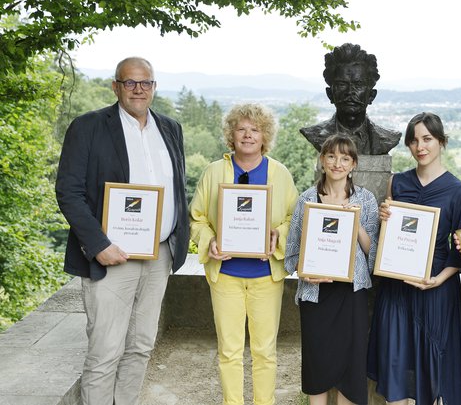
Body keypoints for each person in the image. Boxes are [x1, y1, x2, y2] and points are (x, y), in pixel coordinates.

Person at [55, 57, 189, 405]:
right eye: (130, 82)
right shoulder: (89, 126)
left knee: (141, 347)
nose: (139, 89)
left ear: (154, 87)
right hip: (112, 255)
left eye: (146, 83)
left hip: (159, 255)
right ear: (116, 86)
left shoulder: (171, 128)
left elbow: (177, 188)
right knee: (104, 352)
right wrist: (99, 245)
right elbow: (68, 191)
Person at [189, 103, 298, 405]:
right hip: (226, 276)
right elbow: (197, 218)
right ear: (231, 134)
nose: (248, 135)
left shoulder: (280, 173)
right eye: (241, 129)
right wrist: (209, 239)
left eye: (255, 129)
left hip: (266, 277)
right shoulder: (214, 172)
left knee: (265, 352)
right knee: (229, 351)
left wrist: (279, 235)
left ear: (265, 136)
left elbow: (295, 218)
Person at [367, 112, 461, 405]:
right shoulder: (397, 183)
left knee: (433, 374)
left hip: (436, 290)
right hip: (396, 290)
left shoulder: (459, 191)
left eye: (427, 139)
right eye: (413, 140)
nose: (420, 146)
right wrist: (382, 218)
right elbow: (384, 239)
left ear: (441, 141)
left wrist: (439, 278)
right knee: (395, 367)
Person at [285, 135, 379, 405]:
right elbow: (293, 253)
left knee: (351, 368)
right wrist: (305, 272)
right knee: (318, 365)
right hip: (316, 295)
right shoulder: (307, 199)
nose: (337, 163)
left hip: (352, 294)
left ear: (353, 164)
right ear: (322, 160)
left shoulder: (366, 199)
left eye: (345, 158)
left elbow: (373, 254)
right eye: (331, 156)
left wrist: (356, 221)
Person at [300, 43, 401, 155]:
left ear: (371, 95)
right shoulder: (316, 134)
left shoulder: (386, 138)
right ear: (330, 94)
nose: (350, 92)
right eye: (342, 84)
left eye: (358, 84)